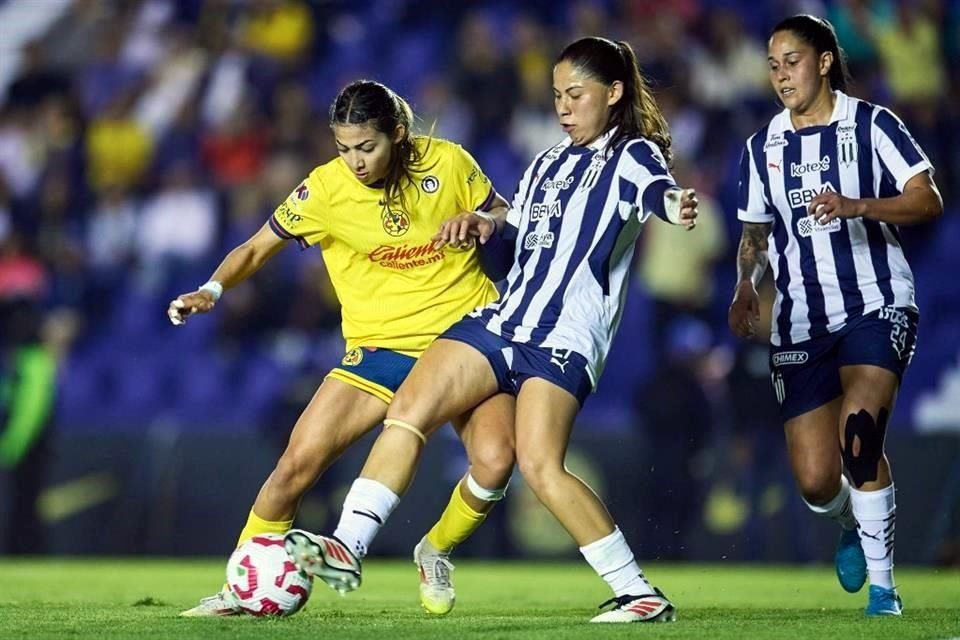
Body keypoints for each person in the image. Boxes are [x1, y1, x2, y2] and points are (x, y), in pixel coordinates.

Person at [285, 37, 698, 624]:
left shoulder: (630, 155)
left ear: (613, 94)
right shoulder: (548, 162)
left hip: (565, 337)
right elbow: (516, 230)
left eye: (576, 94)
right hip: (504, 319)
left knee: (535, 465)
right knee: (410, 406)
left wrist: (675, 204)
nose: (563, 106)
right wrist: (482, 223)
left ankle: (638, 592)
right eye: (557, 95)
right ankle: (347, 546)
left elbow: (657, 190)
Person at [171, 80, 516, 617]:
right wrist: (212, 289)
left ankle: (435, 549)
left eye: (367, 147)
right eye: (343, 148)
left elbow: (506, 212)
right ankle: (242, 586)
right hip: (380, 349)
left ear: (398, 135)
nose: (355, 161)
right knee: (294, 466)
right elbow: (257, 247)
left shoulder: (447, 163)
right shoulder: (325, 190)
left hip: (464, 339)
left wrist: (485, 221)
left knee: (495, 463)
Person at [728, 15, 942, 617]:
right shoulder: (761, 145)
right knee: (817, 481)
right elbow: (755, 232)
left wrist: (858, 205)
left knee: (859, 437)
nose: (780, 76)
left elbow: (929, 198)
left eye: (791, 61)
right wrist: (746, 283)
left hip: (877, 302)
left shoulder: (873, 124)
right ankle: (852, 519)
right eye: (772, 65)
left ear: (823, 62)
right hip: (798, 320)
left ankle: (885, 591)